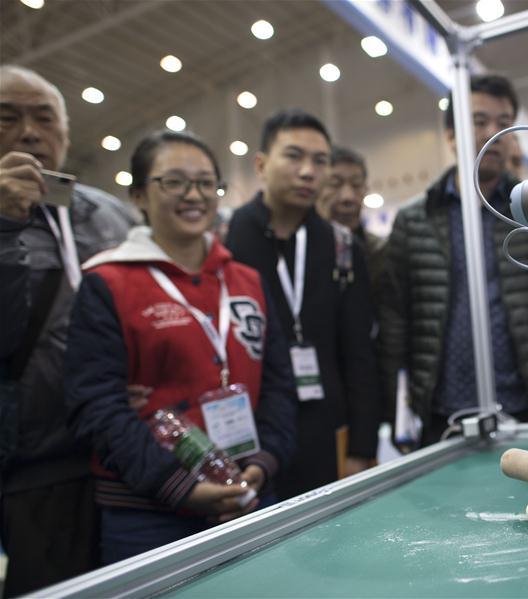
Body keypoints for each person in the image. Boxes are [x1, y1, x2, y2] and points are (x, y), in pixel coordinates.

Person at [64, 130, 297, 564]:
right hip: (148, 512)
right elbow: (95, 404)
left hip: (248, 492)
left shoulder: (245, 280)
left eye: (206, 182)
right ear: (138, 195)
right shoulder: (107, 282)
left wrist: (263, 463)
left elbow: (279, 385)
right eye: (174, 182)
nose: (194, 195)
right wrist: (180, 486)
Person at [378, 74, 528, 446]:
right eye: (479, 121)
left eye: (504, 123)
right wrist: (398, 409)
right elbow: (396, 322)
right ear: (451, 134)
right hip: (442, 411)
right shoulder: (415, 220)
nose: (494, 132)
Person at [0, 65, 135, 596]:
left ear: (66, 133)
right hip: (36, 462)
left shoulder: (109, 216)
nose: (29, 132)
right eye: (7, 119)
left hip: (118, 449)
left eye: (44, 119)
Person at [226, 110, 380, 498]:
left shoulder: (341, 246)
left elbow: (360, 352)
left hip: (326, 427)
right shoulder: (226, 241)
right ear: (261, 164)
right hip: (247, 433)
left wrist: (362, 447)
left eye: (320, 161)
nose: (309, 171)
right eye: (294, 156)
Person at [317, 146, 385, 286]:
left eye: (356, 185)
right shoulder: (297, 252)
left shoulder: (381, 253)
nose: (348, 197)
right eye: (335, 184)